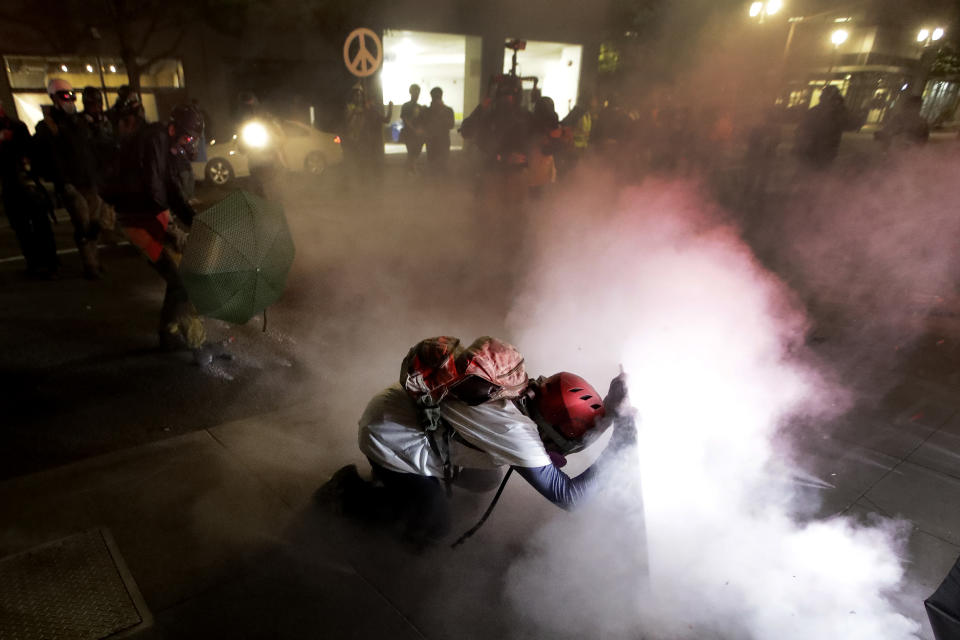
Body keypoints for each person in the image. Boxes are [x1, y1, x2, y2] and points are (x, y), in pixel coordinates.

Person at [319, 336, 636, 548]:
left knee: (486, 477)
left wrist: (611, 408)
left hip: (399, 410)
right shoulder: (517, 434)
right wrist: (621, 442)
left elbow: (566, 424)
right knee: (434, 528)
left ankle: (417, 486)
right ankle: (348, 493)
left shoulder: (522, 392)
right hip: (388, 437)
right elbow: (572, 498)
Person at [102, 101, 210, 356]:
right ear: (174, 130)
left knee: (180, 277)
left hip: (146, 216)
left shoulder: (166, 145)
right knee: (179, 280)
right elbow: (153, 189)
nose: (189, 142)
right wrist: (171, 228)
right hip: (137, 221)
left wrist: (196, 222)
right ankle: (172, 335)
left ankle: (171, 332)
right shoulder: (154, 140)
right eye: (188, 136)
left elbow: (172, 190)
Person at [33, 78, 104, 279]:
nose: (70, 100)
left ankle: (95, 260)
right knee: (83, 223)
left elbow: (91, 151)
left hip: (88, 180)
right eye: (65, 96)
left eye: (72, 96)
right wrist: (60, 182)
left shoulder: (79, 122)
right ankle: (90, 264)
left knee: (94, 223)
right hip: (69, 183)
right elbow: (46, 157)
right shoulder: (48, 127)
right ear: (54, 98)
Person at [0, 100, 58, 278]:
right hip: (11, 185)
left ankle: (48, 262)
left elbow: (29, 152)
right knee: (22, 228)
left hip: (25, 182)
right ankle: (36, 262)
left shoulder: (16, 127)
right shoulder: (15, 126)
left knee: (39, 224)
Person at [793, 85, 856, 169]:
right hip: (820, 152)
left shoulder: (816, 111)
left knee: (811, 174)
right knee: (816, 174)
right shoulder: (836, 113)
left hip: (816, 152)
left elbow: (851, 124)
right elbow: (852, 124)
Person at [423, 87, 455, 175]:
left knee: (442, 167)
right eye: (434, 97)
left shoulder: (447, 110)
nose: (436, 99)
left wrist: (441, 113)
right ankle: (436, 186)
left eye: (437, 97)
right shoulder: (428, 111)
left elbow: (451, 125)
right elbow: (425, 125)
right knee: (433, 167)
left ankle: (441, 186)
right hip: (432, 143)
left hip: (443, 143)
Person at [400, 84, 425, 175]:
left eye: (418, 93)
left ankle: (410, 170)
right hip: (410, 134)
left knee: (415, 152)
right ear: (411, 93)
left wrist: (420, 130)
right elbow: (405, 119)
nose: (417, 95)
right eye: (415, 92)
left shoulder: (420, 107)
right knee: (411, 152)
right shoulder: (406, 106)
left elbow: (422, 121)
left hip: (417, 135)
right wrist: (414, 129)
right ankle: (411, 170)